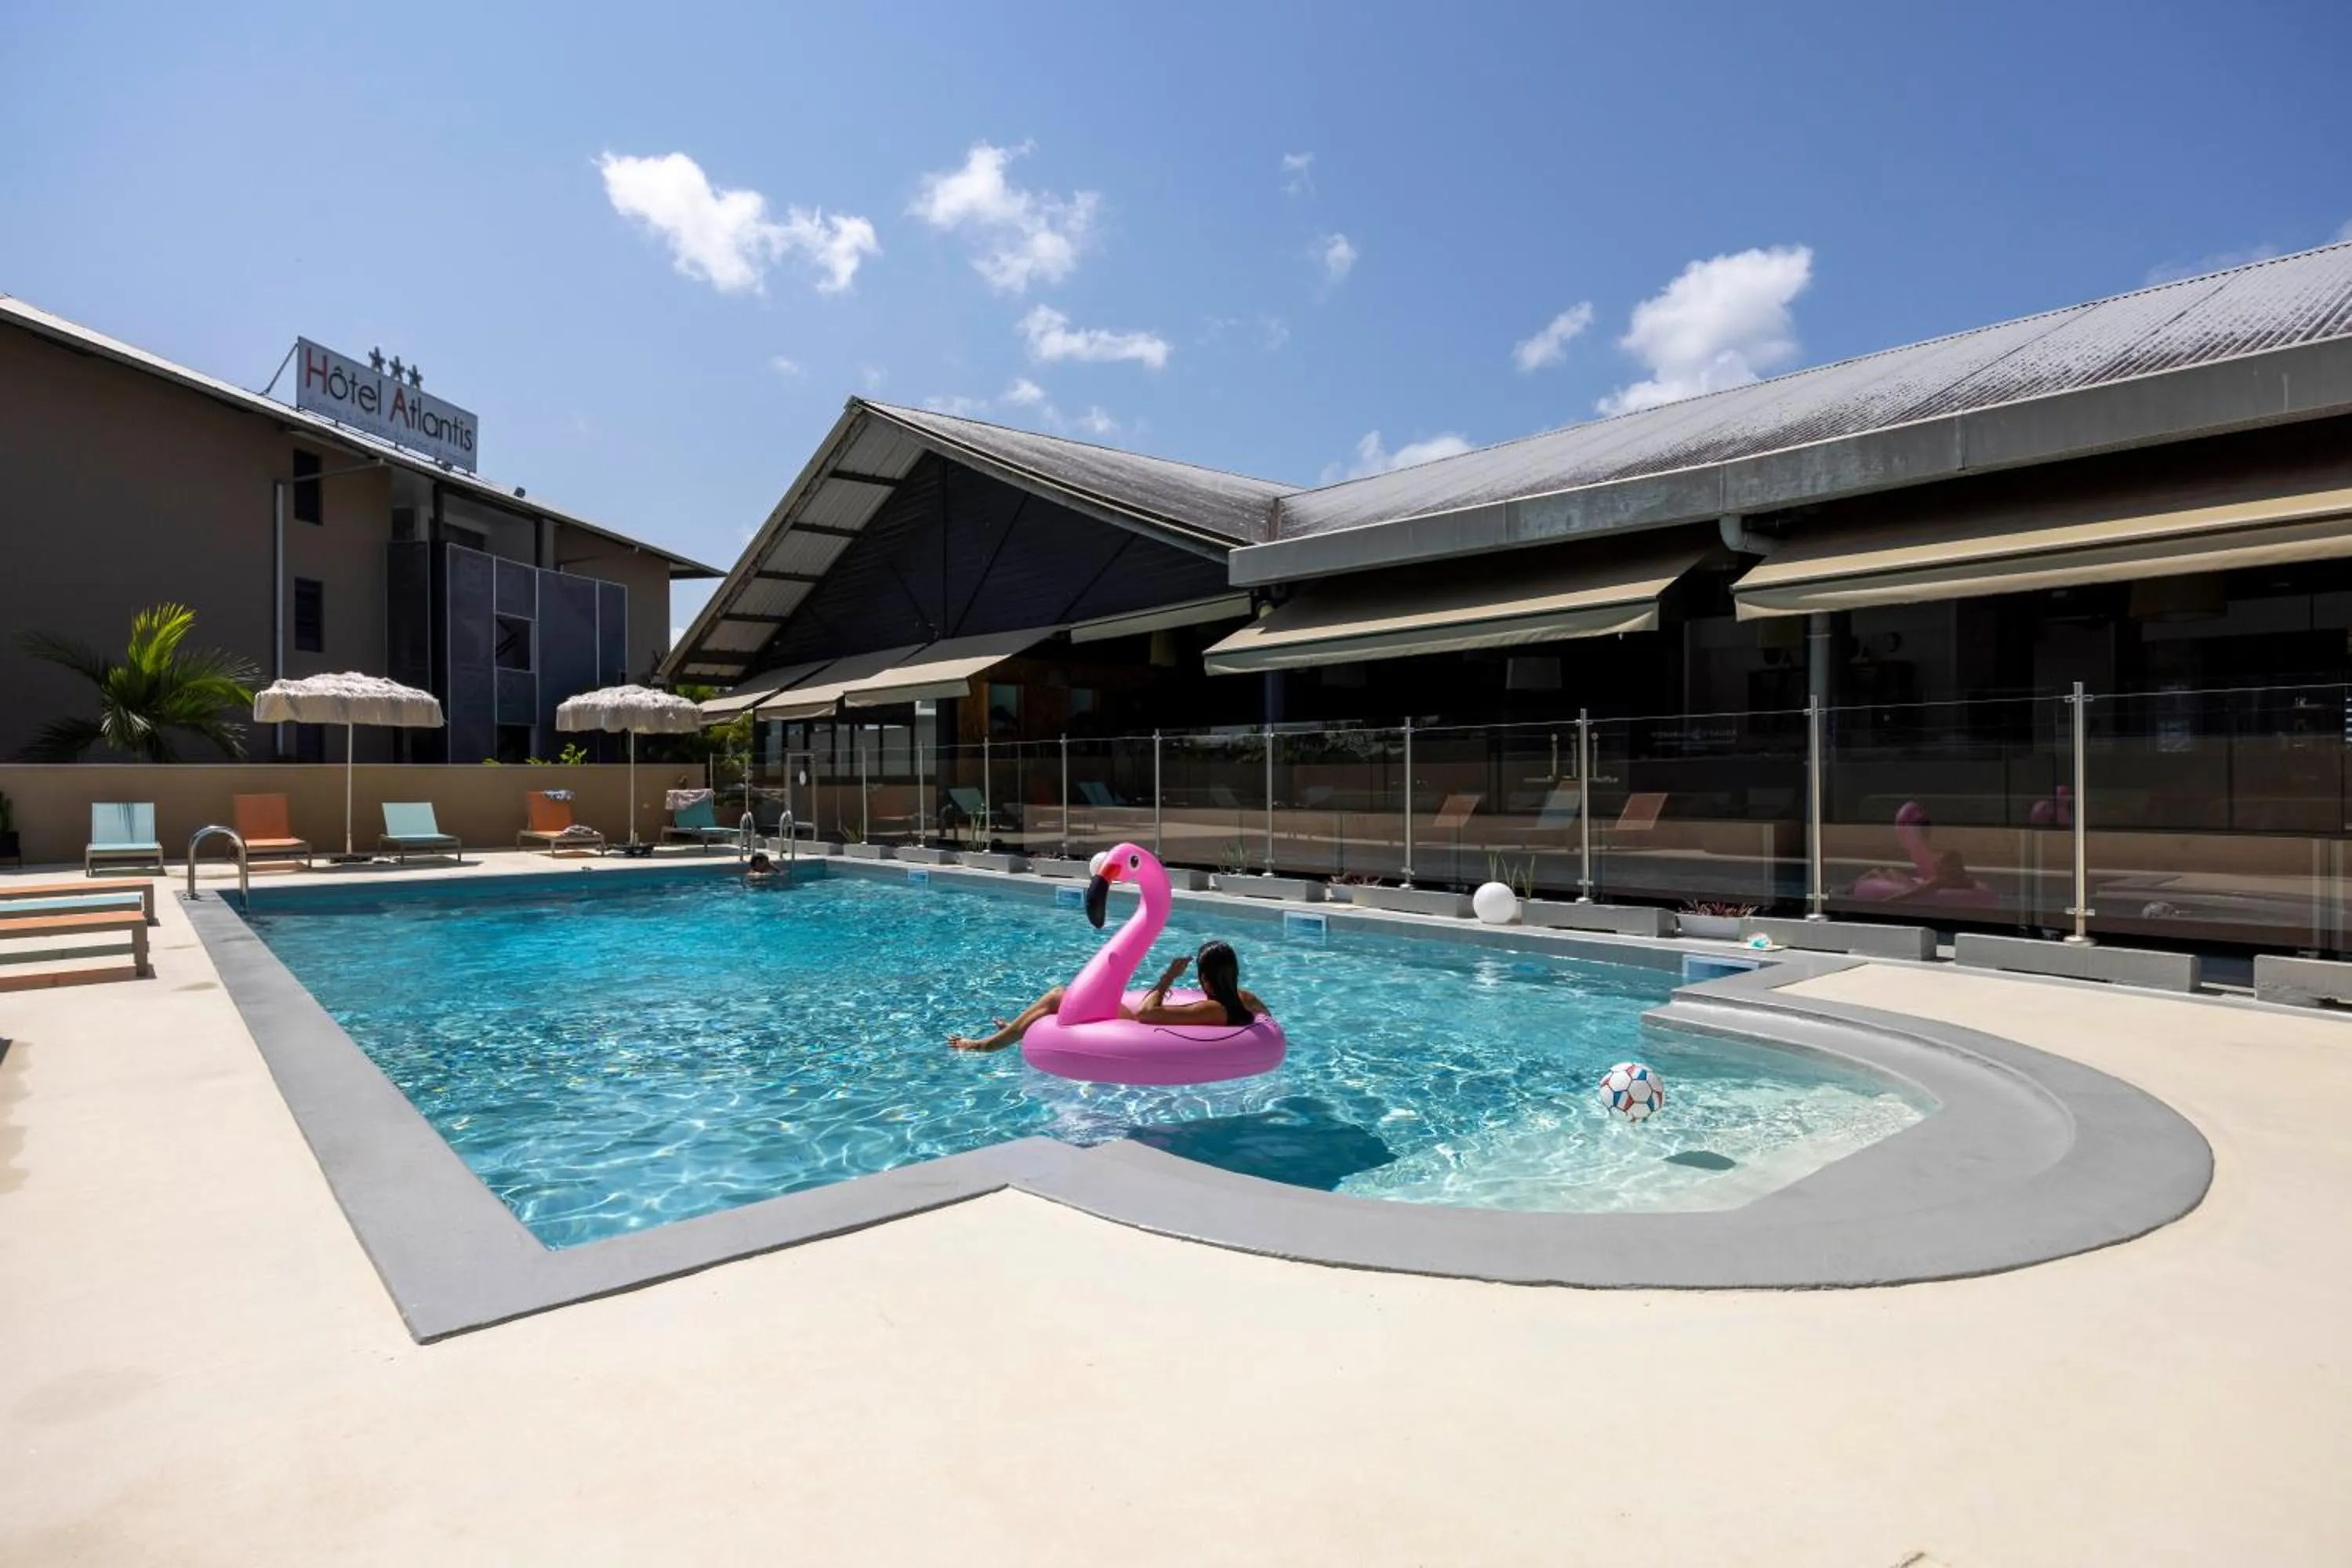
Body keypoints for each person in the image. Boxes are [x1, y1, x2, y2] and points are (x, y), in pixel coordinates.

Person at [949, 938, 1265, 1052]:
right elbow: (1267, 1019)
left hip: (1138, 1035)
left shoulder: (1211, 1010)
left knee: (1060, 996)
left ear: (1206, 978)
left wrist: (1168, 977)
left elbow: (1145, 1013)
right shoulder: (1244, 998)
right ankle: (1016, 1030)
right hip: (1148, 1032)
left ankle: (987, 1045)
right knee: (1060, 1002)